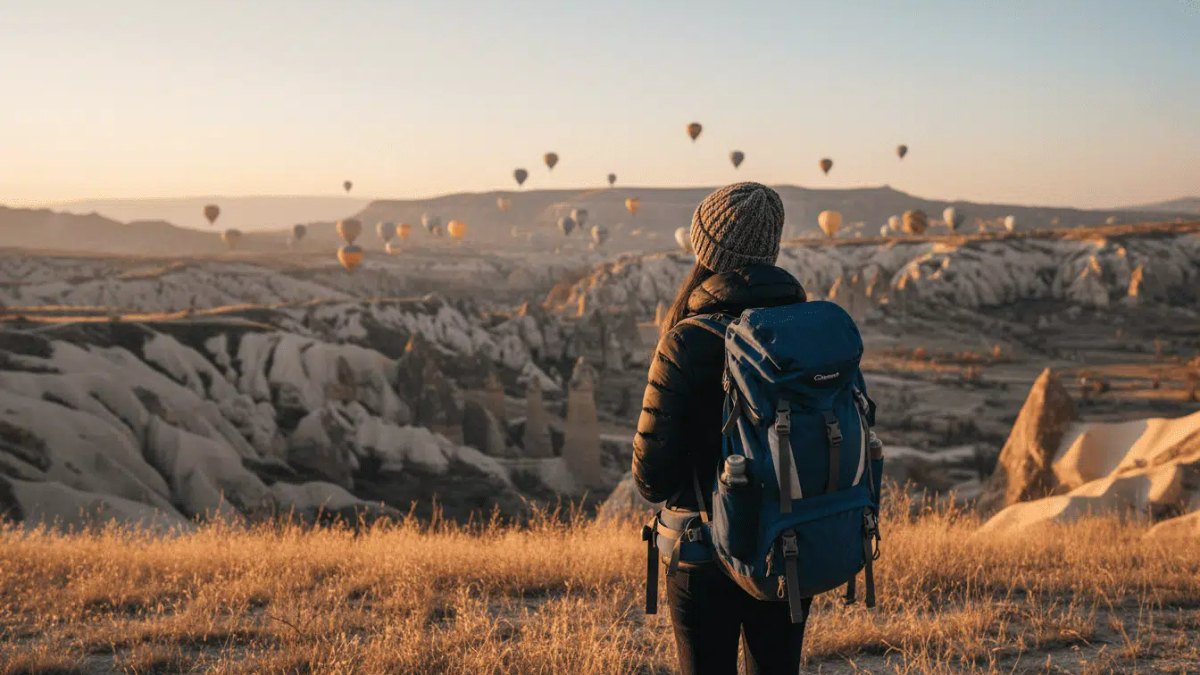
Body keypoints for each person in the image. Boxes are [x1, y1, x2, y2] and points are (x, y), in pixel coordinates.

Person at [633, 183, 812, 675]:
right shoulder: (805, 333)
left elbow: (651, 481)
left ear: (705, 249)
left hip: (702, 550)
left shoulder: (686, 342)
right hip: (786, 545)